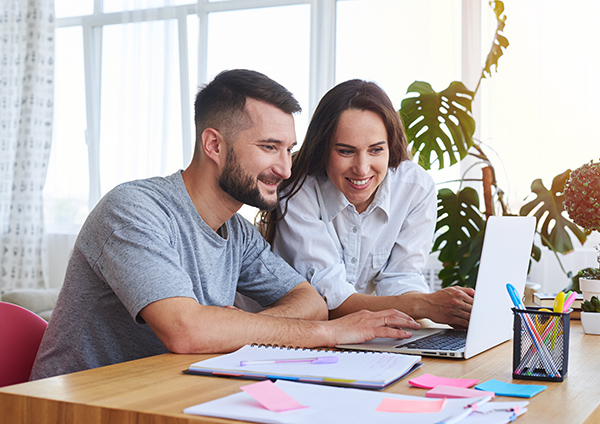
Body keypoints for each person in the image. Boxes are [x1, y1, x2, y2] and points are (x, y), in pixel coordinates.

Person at [30, 70, 420, 380]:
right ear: (214, 145)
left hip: (164, 395)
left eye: (289, 150)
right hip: (72, 406)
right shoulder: (133, 210)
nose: (285, 169)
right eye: (269, 147)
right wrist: (332, 334)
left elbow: (312, 304)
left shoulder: (238, 234)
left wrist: (232, 328)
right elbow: (187, 330)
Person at [259, 79, 474, 328]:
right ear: (323, 149)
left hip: (354, 335)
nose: (362, 169)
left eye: (375, 150)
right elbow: (333, 300)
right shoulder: (298, 189)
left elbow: (402, 279)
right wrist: (426, 305)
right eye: (345, 151)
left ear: (390, 146)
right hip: (289, 332)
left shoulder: (415, 187)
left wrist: (446, 314)